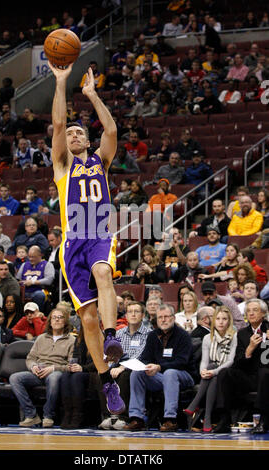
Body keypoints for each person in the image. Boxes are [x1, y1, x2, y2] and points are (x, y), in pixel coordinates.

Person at [48, 60, 130, 416]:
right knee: (87, 319)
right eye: (71, 134)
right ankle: (106, 381)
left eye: (80, 132)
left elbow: (111, 129)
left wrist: (93, 96)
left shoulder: (100, 161)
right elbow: (58, 122)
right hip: (71, 243)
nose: (75, 135)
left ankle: (113, 337)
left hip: (98, 231)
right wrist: (61, 81)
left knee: (103, 272)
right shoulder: (62, 166)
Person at [124, 303, 197, 431]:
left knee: (170, 373)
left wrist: (159, 367)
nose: (163, 320)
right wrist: (147, 367)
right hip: (161, 376)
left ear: (173, 318)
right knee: (137, 373)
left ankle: (170, 419)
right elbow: (146, 357)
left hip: (183, 375)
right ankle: (137, 417)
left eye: (166, 317)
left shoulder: (183, 336)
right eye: (160, 317)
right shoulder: (152, 336)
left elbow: (182, 362)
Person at [9, 308, 75, 427]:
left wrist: (54, 368)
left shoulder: (72, 340)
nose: (57, 320)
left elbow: (71, 365)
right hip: (38, 372)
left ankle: (48, 416)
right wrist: (33, 366)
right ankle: (31, 415)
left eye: (60, 317)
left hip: (56, 372)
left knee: (54, 378)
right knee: (15, 378)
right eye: (54, 317)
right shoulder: (41, 338)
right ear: (49, 321)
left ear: (65, 321)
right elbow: (30, 358)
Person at [213, 299, 269, 433]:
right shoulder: (242, 333)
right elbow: (237, 363)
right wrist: (249, 350)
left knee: (264, 372)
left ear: (263, 313)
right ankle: (224, 419)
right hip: (250, 377)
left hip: (267, 377)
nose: (251, 313)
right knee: (225, 373)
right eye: (248, 311)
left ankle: (263, 420)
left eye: (255, 310)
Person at [99, 301, 151, 430]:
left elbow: (141, 356)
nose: (133, 314)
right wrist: (109, 365)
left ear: (142, 315)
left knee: (126, 375)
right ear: (126, 315)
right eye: (130, 312)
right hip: (117, 366)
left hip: (138, 369)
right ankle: (107, 416)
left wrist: (122, 367)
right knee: (101, 375)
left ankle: (123, 417)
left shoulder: (149, 334)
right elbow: (113, 354)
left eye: (136, 311)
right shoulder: (119, 333)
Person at [184, 306, 237, 432]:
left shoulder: (235, 337)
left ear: (229, 321)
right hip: (212, 372)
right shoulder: (208, 338)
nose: (221, 321)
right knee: (210, 367)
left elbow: (230, 361)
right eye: (217, 318)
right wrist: (203, 371)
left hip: (228, 372)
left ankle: (195, 406)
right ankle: (207, 419)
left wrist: (213, 372)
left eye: (224, 319)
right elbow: (204, 361)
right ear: (213, 321)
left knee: (215, 371)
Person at [16, 245, 55, 311]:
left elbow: (49, 280)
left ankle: (38, 314)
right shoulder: (24, 265)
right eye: (29, 257)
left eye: (33, 257)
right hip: (24, 291)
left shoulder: (47, 265)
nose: (31, 259)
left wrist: (33, 282)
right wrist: (22, 282)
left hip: (39, 290)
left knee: (39, 295)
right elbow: (17, 279)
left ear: (40, 255)